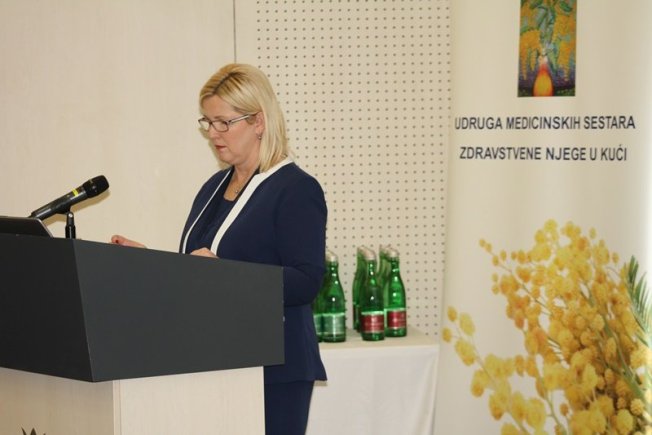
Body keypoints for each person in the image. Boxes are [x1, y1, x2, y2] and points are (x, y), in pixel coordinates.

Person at [111, 63, 327, 435]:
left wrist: (226, 274)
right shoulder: (213, 187)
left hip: (274, 370)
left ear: (258, 121)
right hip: (214, 362)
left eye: (224, 122)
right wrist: (148, 261)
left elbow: (306, 281)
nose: (213, 133)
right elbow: (199, 270)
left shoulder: (295, 188)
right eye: (208, 122)